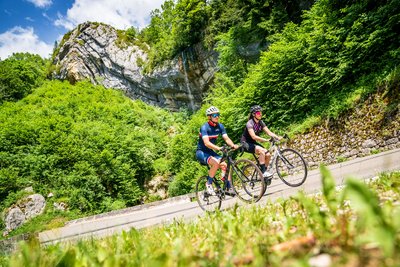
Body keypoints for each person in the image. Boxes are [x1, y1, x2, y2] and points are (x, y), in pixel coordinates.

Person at [196, 106, 239, 195]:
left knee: (225, 165)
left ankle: (228, 186)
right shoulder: (204, 127)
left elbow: (226, 138)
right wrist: (218, 148)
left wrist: (233, 145)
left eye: (218, 115)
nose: (217, 117)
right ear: (209, 117)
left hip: (211, 152)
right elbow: (207, 143)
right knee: (216, 163)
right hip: (201, 152)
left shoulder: (220, 126)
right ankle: (208, 184)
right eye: (215, 115)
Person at [241, 105, 282, 182]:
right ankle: (263, 173)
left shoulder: (261, 122)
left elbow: (269, 132)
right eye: (258, 112)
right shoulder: (250, 123)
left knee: (268, 154)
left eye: (261, 112)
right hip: (245, 143)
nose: (260, 114)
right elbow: (253, 136)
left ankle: (265, 172)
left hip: (253, 143)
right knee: (262, 151)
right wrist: (266, 140)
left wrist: (277, 137)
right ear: (253, 114)